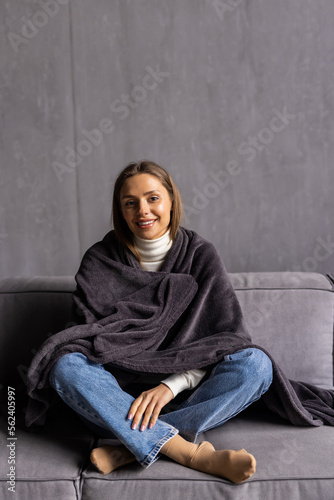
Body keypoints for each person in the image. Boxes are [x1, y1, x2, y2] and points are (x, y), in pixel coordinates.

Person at [47, 159, 273, 483]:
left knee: (257, 365)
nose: (143, 210)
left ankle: (133, 447)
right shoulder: (99, 260)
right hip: (115, 401)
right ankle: (189, 452)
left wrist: (171, 386)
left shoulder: (200, 254)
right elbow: (84, 337)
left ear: (170, 200)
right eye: (130, 202)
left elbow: (228, 339)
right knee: (65, 366)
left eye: (152, 198)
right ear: (121, 210)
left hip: (184, 396)